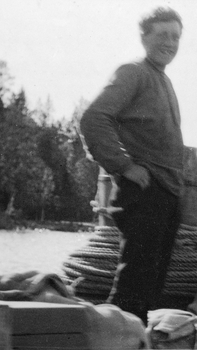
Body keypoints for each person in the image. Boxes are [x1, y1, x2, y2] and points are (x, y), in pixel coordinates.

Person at [80, 7, 186, 324]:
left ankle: (133, 348)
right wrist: (123, 166)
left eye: (176, 36)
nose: (170, 42)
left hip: (165, 194)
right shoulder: (133, 72)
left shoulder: (161, 78)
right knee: (134, 286)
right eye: (162, 35)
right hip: (144, 193)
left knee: (149, 287)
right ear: (144, 38)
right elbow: (93, 118)